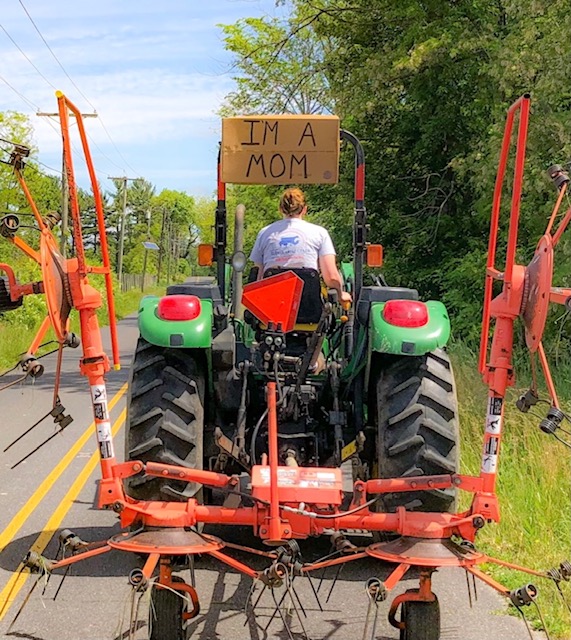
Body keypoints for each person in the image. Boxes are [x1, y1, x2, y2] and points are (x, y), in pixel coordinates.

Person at [250, 188, 352, 304]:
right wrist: (340, 294)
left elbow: (258, 276)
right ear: (304, 209)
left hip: (272, 309)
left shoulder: (264, 233)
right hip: (310, 310)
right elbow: (331, 277)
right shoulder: (319, 233)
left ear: (280, 209)